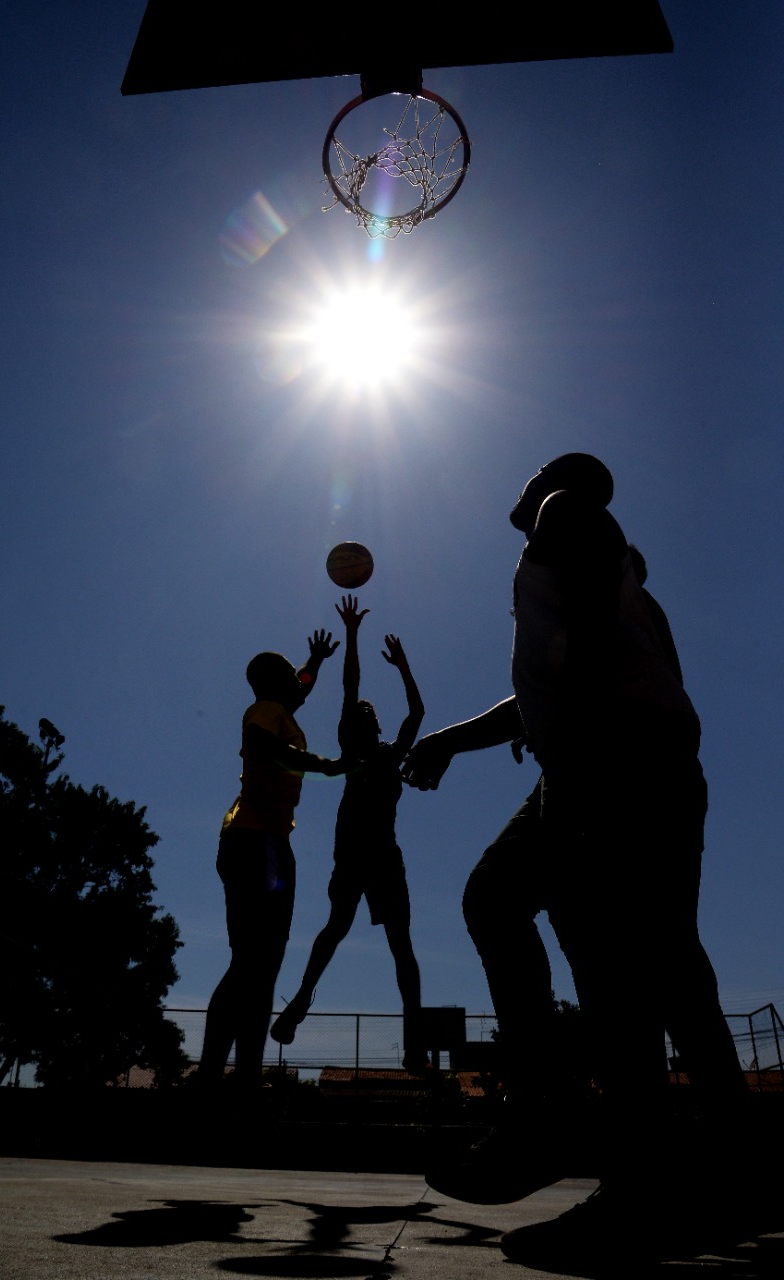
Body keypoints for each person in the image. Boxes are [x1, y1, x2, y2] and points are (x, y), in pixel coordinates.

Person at [404, 454, 757, 1263]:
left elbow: (594, 657)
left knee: (601, 955)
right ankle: (732, 1168)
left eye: (528, 480)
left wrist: (585, 763)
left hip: (613, 766)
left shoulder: (568, 514)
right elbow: (585, 676)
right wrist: (461, 737)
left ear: (551, 485)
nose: (518, 494)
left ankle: (604, 1156)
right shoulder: (615, 581)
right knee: (667, 964)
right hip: (638, 761)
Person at [270, 595, 428, 1071]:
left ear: (373, 723)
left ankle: (413, 1040)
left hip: (376, 853)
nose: (360, 713)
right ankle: (300, 1000)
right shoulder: (357, 749)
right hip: (362, 853)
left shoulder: (385, 754)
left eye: (364, 713)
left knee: (385, 941)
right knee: (350, 932)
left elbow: (416, 713)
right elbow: (351, 685)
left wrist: (403, 666)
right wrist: (355, 635)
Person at [196, 629, 348, 1094]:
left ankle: (242, 1077)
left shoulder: (281, 705)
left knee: (264, 964)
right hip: (253, 839)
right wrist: (324, 764)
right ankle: (212, 1076)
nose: (298, 680)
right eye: (290, 674)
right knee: (251, 962)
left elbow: (301, 684)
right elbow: (261, 744)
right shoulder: (265, 712)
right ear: (271, 682)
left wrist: (316, 660)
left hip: (270, 842)